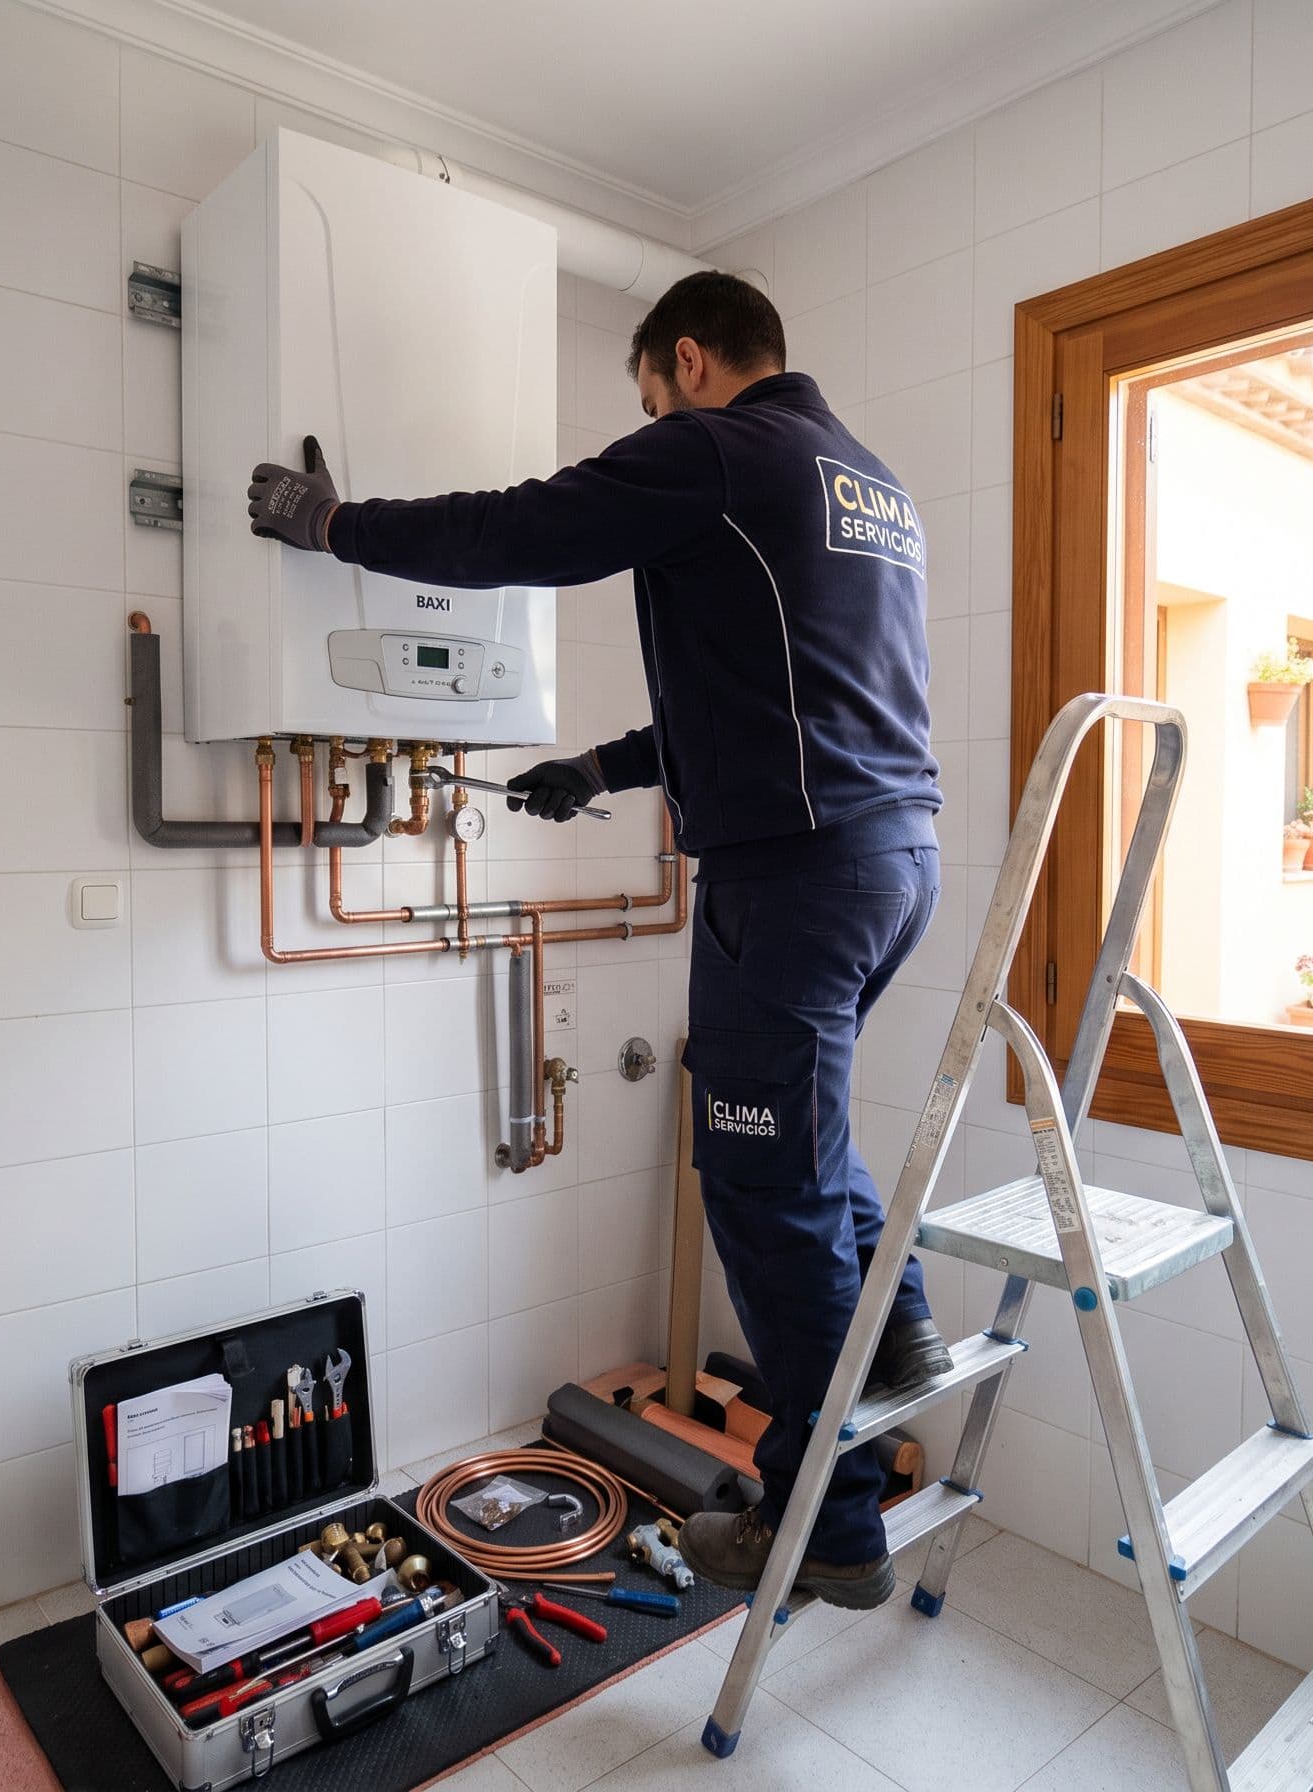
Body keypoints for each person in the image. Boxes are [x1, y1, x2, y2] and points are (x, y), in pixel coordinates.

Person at [247, 270, 944, 1610]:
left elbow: (528, 526)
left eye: (646, 394)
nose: (648, 418)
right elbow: (789, 692)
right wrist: (606, 770)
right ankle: (897, 1324)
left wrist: (334, 523)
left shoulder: (720, 447)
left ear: (685, 359)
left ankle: (834, 1524)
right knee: (802, 1129)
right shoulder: (865, 481)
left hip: (791, 876)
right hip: (889, 856)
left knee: (759, 1182)